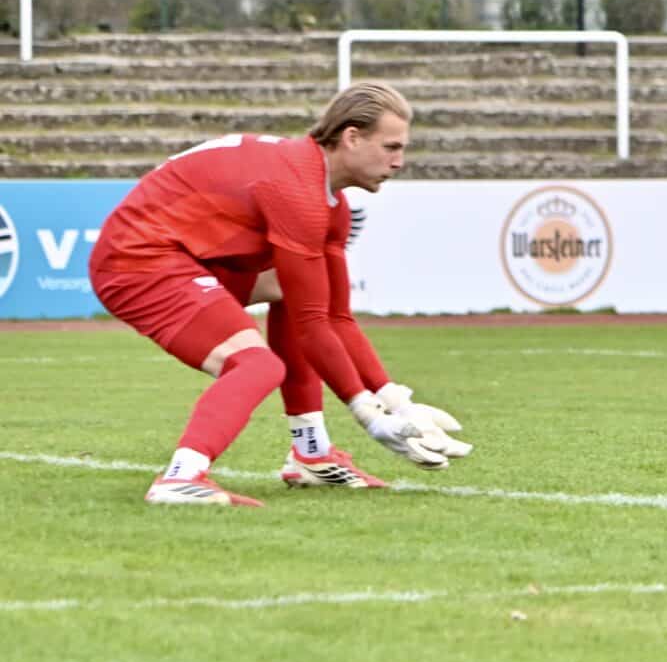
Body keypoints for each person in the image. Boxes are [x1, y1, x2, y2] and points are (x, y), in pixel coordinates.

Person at [87, 84, 466, 506]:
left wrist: (396, 402)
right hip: (137, 260)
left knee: (290, 292)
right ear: (352, 137)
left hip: (187, 256)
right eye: (391, 146)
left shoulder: (330, 204)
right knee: (256, 364)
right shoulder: (296, 190)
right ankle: (181, 477)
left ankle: (312, 453)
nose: (399, 161)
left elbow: (335, 317)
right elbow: (313, 327)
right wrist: (368, 416)